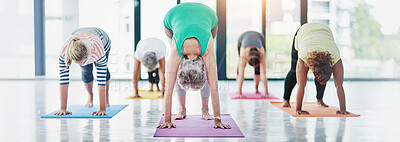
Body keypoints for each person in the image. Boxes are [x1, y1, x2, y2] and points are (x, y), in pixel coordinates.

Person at [157, 2, 231, 129]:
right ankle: (182, 108)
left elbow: (214, 86)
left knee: (210, 71)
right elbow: (168, 88)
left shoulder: (208, 51)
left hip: (208, 16)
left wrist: (218, 119)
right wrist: (167, 120)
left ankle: (205, 109)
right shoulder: (176, 51)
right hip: (172, 17)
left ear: (202, 68)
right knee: (172, 72)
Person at [282, 23, 349, 115]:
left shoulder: (335, 55)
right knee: (294, 72)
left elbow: (339, 85)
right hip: (304, 32)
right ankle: (286, 100)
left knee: (322, 76)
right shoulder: (304, 55)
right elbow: (301, 85)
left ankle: (319, 100)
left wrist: (343, 109)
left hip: (324, 30)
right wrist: (298, 109)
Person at [55, 27, 111, 116]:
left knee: (103, 72)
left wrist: (102, 109)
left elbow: (101, 81)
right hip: (79, 39)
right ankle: (90, 95)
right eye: (77, 63)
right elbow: (63, 80)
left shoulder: (97, 51)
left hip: (102, 39)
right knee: (86, 71)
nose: (80, 64)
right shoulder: (64, 52)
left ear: (87, 56)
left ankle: (106, 97)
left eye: (82, 62)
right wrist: (63, 109)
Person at [236, 31, 269, 97]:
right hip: (242, 37)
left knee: (259, 70)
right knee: (240, 67)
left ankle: (257, 89)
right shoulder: (243, 54)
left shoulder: (261, 52)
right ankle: (238, 90)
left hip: (260, 37)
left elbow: (263, 74)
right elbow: (241, 74)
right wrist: (239, 94)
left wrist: (266, 93)